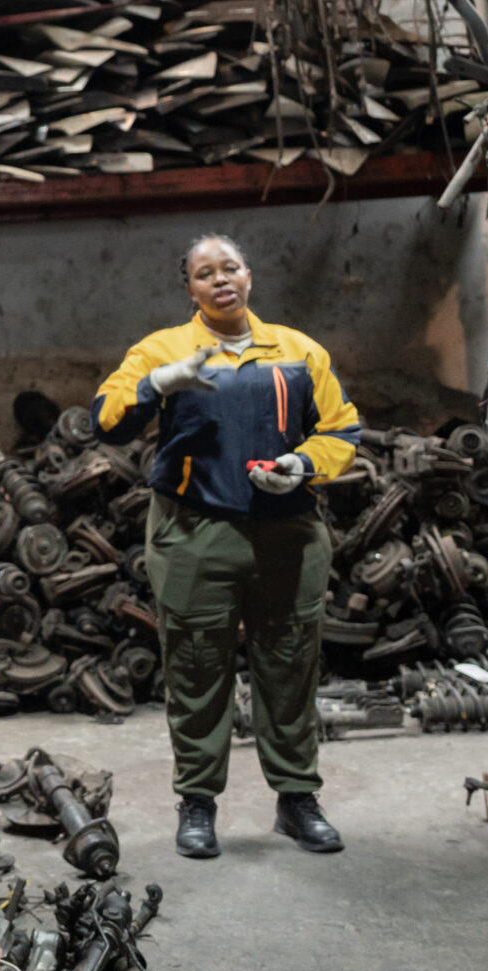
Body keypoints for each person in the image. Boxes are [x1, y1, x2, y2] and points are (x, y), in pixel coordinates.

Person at [93, 233, 360, 859]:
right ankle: (197, 803)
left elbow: (341, 429)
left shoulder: (298, 351)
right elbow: (105, 419)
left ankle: (297, 799)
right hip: (195, 533)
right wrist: (159, 382)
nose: (220, 280)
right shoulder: (162, 350)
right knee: (195, 669)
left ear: (249, 276)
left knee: (289, 665)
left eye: (230, 267)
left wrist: (302, 464)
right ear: (189, 289)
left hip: (287, 532)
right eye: (205, 273)